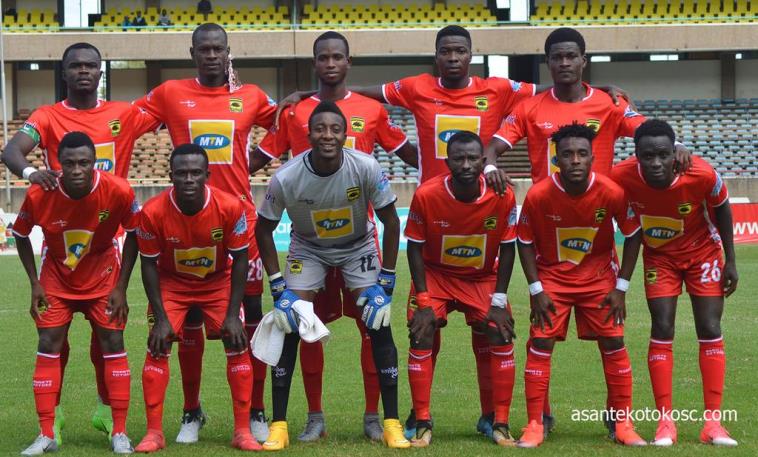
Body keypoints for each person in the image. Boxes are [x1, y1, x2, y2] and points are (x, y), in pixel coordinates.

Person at [250, 30, 417, 443]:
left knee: (374, 324)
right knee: (301, 324)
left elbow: (413, 155)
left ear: (348, 61)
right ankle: (312, 417)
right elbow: (255, 159)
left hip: (360, 240)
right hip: (309, 243)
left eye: (336, 57)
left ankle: (376, 417)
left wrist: (469, 170)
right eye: (322, 57)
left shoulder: (371, 111)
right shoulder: (294, 112)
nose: (330, 63)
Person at [1, 42, 159, 440]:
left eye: (91, 65)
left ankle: (108, 412)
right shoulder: (46, 116)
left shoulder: (125, 113)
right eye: (76, 66)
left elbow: (176, 110)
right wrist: (31, 172)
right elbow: (12, 150)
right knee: (55, 338)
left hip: (108, 240)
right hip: (61, 240)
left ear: (100, 72)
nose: (83, 71)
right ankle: (51, 419)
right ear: (65, 73)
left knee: (106, 338)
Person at [135, 23, 277, 443]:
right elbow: (124, 124)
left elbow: (290, 125)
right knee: (189, 322)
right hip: (187, 222)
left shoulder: (251, 96)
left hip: (238, 222)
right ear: (192, 53)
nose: (212, 55)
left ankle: (255, 410)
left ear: (228, 52)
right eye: (204, 49)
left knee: (250, 320)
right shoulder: (169, 93)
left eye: (218, 49)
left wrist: (256, 160)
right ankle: (191, 412)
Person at [515, 123, 646, 448]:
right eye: (567, 154)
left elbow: (633, 234)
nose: (575, 160)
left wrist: (621, 287)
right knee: (541, 343)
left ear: (592, 157)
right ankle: (535, 424)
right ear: (556, 159)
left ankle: (622, 423)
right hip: (552, 279)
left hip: (599, 278)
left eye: (582, 154)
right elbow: (524, 241)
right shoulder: (539, 195)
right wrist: (536, 290)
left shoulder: (611, 192)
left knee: (614, 342)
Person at [610, 119, 738, 447]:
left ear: (674, 152)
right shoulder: (620, 175)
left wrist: (731, 260)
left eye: (663, 155)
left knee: (710, 327)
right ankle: (665, 423)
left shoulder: (701, 174)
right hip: (659, 258)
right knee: (662, 327)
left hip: (702, 253)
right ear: (635, 155)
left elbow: (723, 209)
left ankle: (713, 424)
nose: (655, 162)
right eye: (647, 156)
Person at [14, 132, 141, 455]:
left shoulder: (118, 189)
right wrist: (34, 283)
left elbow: (135, 233)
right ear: (58, 164)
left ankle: (119, 431)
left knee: (113, 342)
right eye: (69, 163)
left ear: (94, 162)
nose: (76, 169)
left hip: (103, 275)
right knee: (48, 343)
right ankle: (46, 433)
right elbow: (21, 234)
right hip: (57, 277)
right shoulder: (40, 193)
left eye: (84, 163)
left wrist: (121, 286)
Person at [134, 144, 258, 453]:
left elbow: (240, 260)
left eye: (195, 173)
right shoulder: (152, 212)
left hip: (217, 282)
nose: (188, 179)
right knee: (158, 344)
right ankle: (154, 432)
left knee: (237, 341)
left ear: (207, 175)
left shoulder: (230, 207)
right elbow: (148, 265)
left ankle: (242, 430)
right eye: (181, 173)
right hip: (172, 283)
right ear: (171, 176)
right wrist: (160, 318)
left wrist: (233, 314)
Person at [404, 131, 518, 447]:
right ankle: (422, 421)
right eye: (458, 158)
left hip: (480, 277)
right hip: (436, 275)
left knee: (499, 330)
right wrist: (423, 301)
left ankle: (498, 421)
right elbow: (414, 247)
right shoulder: (427, 194)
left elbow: (509, 248)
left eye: (472, 158)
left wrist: (499, 300)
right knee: (421, 332)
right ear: (447, 161)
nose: (466, 165)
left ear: (483, 161)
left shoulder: (502, 194)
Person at [484, 27, 691, 191]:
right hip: (547, 207)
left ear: (583, 61)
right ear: (548, 62)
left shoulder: (611, 104)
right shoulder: (528, 108)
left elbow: (647, 130)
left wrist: (677, 144)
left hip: (598, 206)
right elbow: (492, 149)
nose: (564, 63)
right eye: (557, 57)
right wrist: (491, 168)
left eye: (571, 56)